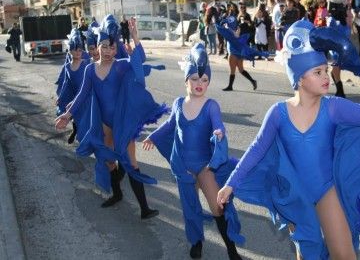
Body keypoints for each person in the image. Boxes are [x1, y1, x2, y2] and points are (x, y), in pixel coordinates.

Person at [217, 20, 360, 260]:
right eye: (318, 72)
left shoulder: (333, 107)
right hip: (294, 195)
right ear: (300, 78)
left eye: (326, 70)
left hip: (326, 190)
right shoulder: (278, 113)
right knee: (308, 254)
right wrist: (232, 183)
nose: (326, 77)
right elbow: (257, 149)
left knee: (344, 255)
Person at [55, 15, 168, 219]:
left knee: (132, 163)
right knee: (108, 161)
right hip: (105, 124)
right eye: (104, 47)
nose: (108, 51)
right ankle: (117, 194)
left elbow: (139, 60)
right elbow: (81, 95)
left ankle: (144, 208)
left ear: (117, 48)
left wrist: (135, 37)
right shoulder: (90, 69)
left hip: (123, 122)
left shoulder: (121, 65)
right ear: (98, 46)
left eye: (113, 47)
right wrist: (67, 113)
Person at [143, 44, 244, 259]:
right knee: (190, 208)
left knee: (218, 207)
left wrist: (219, 133)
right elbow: (170, 125)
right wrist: (153, 136)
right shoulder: (179, 103)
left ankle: (231, 249)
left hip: (206, 166)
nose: (200, 84)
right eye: (195, 79)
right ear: (186, 79)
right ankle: (196, 242)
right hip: (183, 165)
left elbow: (218, 125)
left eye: (205, 80)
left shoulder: (211, 105)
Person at [56, 29, 92, 144]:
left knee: (87, 119)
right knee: (76, 117)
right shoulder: (67, 66)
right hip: (74, 97)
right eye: (74, 50)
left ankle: (89, 139)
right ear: (69, 50)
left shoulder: (86, 63)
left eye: (80, 50)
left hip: (86, 97)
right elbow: (66, 83)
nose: (77, 52)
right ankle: (77, 132)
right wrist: (61, 97)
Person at [216, 15, 267, 91]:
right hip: (238, 51)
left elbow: (236, 36)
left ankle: (230, 86)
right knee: (240, 70)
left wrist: (228, 28)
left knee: (233, 70)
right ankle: (252, 81)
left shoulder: (237, 28)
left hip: (234, 51)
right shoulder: (229, 28)